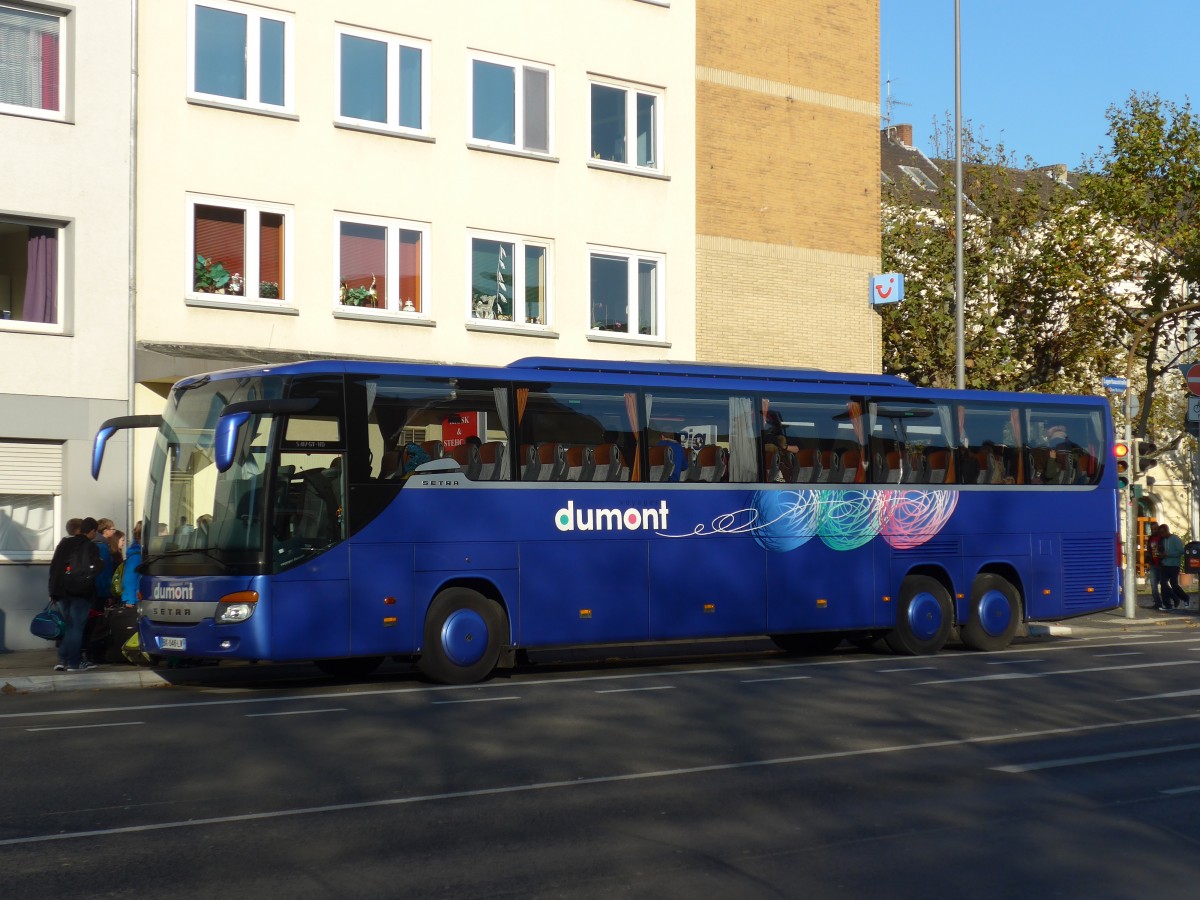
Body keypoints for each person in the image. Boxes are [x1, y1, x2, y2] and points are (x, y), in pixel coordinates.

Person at [47, 516, 102, 672]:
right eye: (95, 532)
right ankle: (74, 663)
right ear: (91, 531)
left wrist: (52, 590)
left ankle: (62, 660)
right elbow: (95, 569)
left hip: (61, 591)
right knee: (76, 628)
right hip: (81, 593)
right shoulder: (91, 547)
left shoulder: (64, 543)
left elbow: (55, 567)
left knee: (69, 627)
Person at [1158, 524, 1190, 610]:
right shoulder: (1163, 540)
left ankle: (1185, 598)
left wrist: (1168, 554)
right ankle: (1167, 605)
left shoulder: (1175, 539)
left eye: (1162, 532)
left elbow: (1181, 551)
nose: (1161, 535)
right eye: (1160, 533)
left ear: (1166, 531)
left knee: (1174, 584)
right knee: (1163, 583)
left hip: (1174, 565)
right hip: (1165, 564)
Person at [121, 521, 142, 606]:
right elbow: (129, 580)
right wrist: (130, 601)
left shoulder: (140, 553)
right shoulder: (136, 556)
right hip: (134, 600)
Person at [1146, 523, 1165, 610]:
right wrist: (1148, 561)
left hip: (1162, 564)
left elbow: (1165, 550)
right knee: (1153, 585)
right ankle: (1158, 603)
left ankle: (1173, 599)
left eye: (1155, 529)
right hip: (1153, 564)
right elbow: (1148, 550)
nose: (1153, 531)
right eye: (1152, 529)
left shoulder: (1162, 538)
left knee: (1164, 584)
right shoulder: (1150, 539)